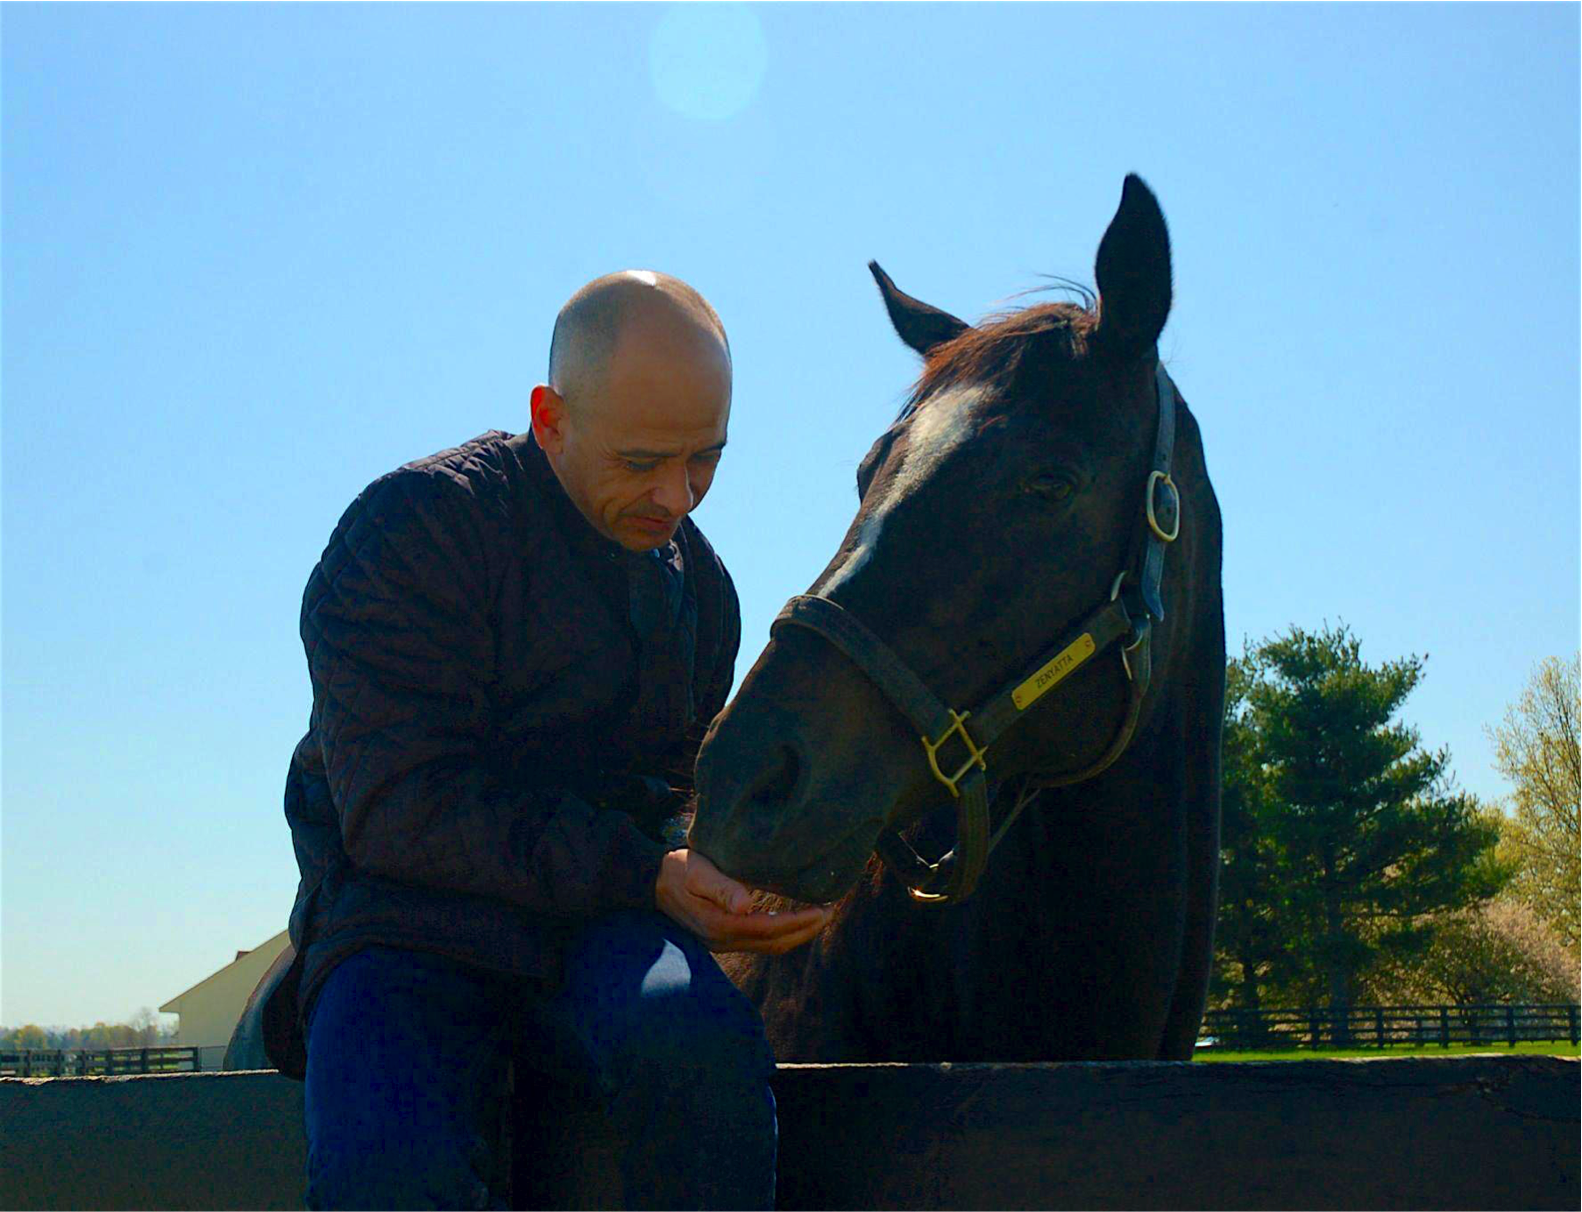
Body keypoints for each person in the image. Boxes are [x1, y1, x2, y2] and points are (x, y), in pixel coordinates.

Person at [277, 271, 832, 1212]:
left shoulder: (705, 591)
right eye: (642, 461)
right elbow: (398, 812)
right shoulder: (413, 531)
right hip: (408, 924)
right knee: (389, 1172)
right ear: (551, 418)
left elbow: (669, 800)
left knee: (706, 1053)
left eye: (706, 459)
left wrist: (736, 874)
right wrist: (647, 871)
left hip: (598, 927)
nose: (678, 496)